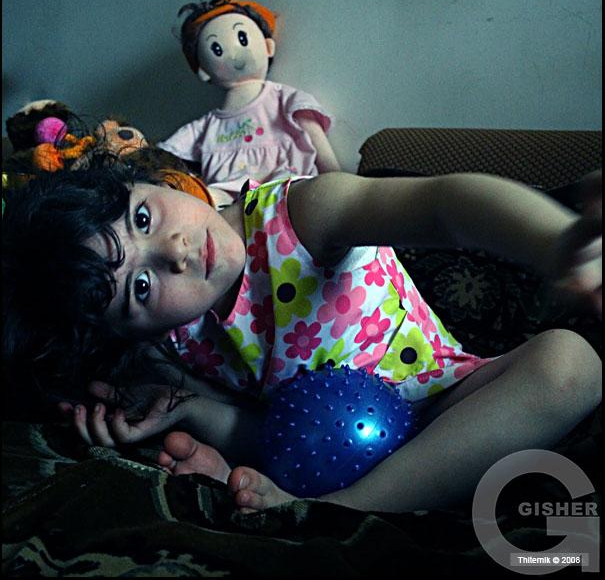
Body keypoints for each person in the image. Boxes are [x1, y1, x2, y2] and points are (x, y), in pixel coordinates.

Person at [2, 157, 601, 515]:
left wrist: (555, 243)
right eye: (139, 287)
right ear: (125, 331)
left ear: (144, 181)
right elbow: (267, 431)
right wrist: (188, 411)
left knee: (572, 364)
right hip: (328, 457)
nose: (176, 252)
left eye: (143, 218)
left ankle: (342, 512)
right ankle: (344, 502)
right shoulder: (169, 344)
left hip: (447, 403)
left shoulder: (305, 214)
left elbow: (442, 205)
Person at [157, 0, 340, 207]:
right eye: (217, 49)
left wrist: (336, 178)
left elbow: (311, 131)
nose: (234, 54)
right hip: (231, 202)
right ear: (203, 71)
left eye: (242, 38)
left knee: (286, 190)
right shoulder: (207, 127)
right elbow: (161, 156)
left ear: (268, 46)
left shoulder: (282, 99)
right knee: (210, 198)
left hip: (285, 188)